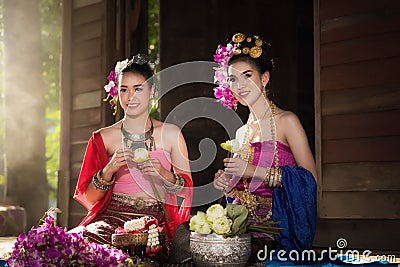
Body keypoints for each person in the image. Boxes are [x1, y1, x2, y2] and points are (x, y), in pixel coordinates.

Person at [72, 54, 193, 261]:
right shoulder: (103, 137)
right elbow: (89, 198)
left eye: (138, 89)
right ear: (116, 92)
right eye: (124, 90)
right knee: (81, 244)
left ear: (152, 91)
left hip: (155, 221)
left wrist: (162, 174)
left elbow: (186, 190)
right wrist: (108, 170)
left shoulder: (172, 134)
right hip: (111, 218)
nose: (130, 97)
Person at [213, 33, 317, 261]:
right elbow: (241, 192)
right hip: (242, 230)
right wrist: (226, 183)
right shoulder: (240, 133)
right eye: (233, 79)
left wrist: (253, 171)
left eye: (247, 76)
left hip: (278, 231)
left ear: (265, 78)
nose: (240, 86)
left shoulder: (287, 122)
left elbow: (310, 180)